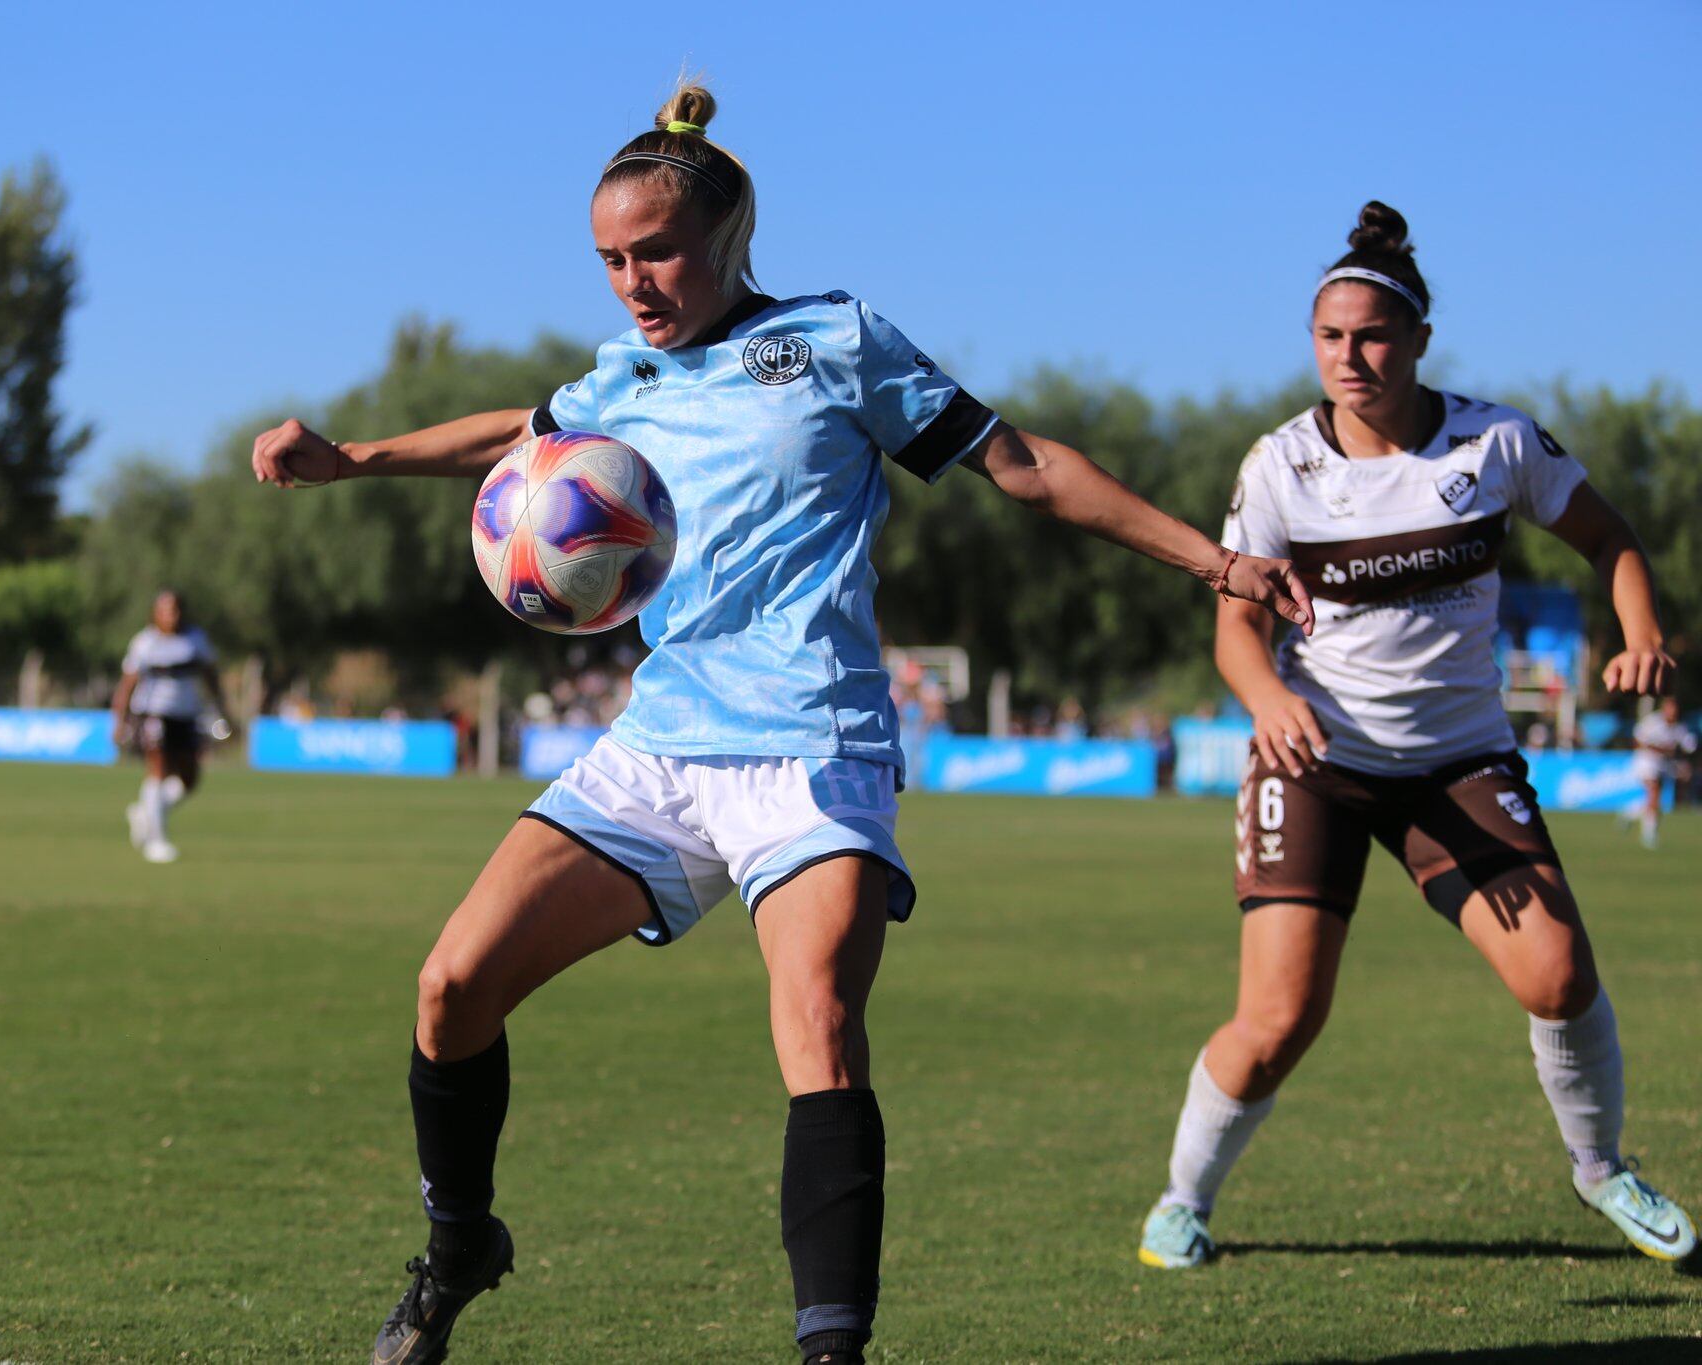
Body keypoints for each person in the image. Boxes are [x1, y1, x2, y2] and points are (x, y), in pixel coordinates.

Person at [252, 83, 1311, 1365]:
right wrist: (353, 461)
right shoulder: (619, 378)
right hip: (656, 751)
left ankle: (830, 1355)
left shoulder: (834, 341)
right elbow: (520, 436)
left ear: (726, 239)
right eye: (608, 259)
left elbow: (1021, 463)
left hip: (812, 745)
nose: (632, 281)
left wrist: (1211, 561)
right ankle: (460, 1240)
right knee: (450, 988)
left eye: (655, 251)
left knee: (815, 1022)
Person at [1137, 203, 1695, 1273]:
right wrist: (1268, 702)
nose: (1351, 356)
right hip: (1315, 767)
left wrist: (1640, 632)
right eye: (1329, 337)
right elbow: (1234, 634)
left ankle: (1599, 1169)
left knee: (1558, 975)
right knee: (1279, 1018)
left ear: (1418, 339)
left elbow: (1607, 535)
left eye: (1373, 335)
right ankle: (1181, 1199)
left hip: (1455, 764)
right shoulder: (1277, 468)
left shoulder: (1494, 441)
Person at [110, 590, 228, 865]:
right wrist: (120, 721)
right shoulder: (145, 643)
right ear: (155, 614)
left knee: (189, 780)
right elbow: (127, 685)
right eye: (164, 611)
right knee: (159, 770)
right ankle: (156, 841)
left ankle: (146, 813)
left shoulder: (195, 639)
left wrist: (224, 710)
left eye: (175, 610)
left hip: (186, 715)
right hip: (153, 713)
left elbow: (211, 677)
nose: (170, 616)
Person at [1628, 697, 1696, 849]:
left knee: (1653, 800)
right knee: (1654, 792)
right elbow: (1638, 741)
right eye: (1670, 708)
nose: (1673, 712)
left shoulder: (1679, 727)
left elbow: (1689, 746)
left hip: (1664, 765)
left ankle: (1629, 814)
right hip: (1646, 762)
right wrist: (1661, 749)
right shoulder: (1652, 722)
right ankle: (1649, 834)